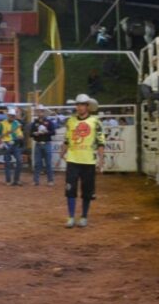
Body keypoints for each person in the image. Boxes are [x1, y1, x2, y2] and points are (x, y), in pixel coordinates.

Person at [62, 94, 105, 228]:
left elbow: (100, 142)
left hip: (88, 161)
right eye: (78, 104)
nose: (79, 107)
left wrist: (101, 160)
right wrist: (61, 153)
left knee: (87, 191)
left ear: (87, 106)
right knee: (70, 189)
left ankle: (84, 216)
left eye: (82, 104)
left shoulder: (95, 121)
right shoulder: (70, 121)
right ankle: (71, 217)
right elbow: (66, 140)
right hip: (73, 160)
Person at [0, 107, 25, 186]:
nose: (12, 117)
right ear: (8, 115)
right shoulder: (2, 123)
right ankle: (8, 180)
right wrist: (5, 134)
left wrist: (20, 137)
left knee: (19, 161)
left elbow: (21, 135)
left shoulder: (17, 124)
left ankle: (16, 179)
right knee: (7, 163)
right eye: (11, 115)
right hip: (6, 144)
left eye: (13, 116)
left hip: (15, 144)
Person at [29, 107, 56, 186]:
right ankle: (36, 181)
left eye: (41, 111)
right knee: (37, 163)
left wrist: (46, 132)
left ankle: (50, 180)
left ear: (44, 112)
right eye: (38, 111)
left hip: (47, 143)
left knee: (48, 163)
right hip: (38, 144)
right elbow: (30, 134)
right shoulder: (34, 123)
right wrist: (34, 133)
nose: (40, 113)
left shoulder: (49, 122)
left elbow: (53, 132)